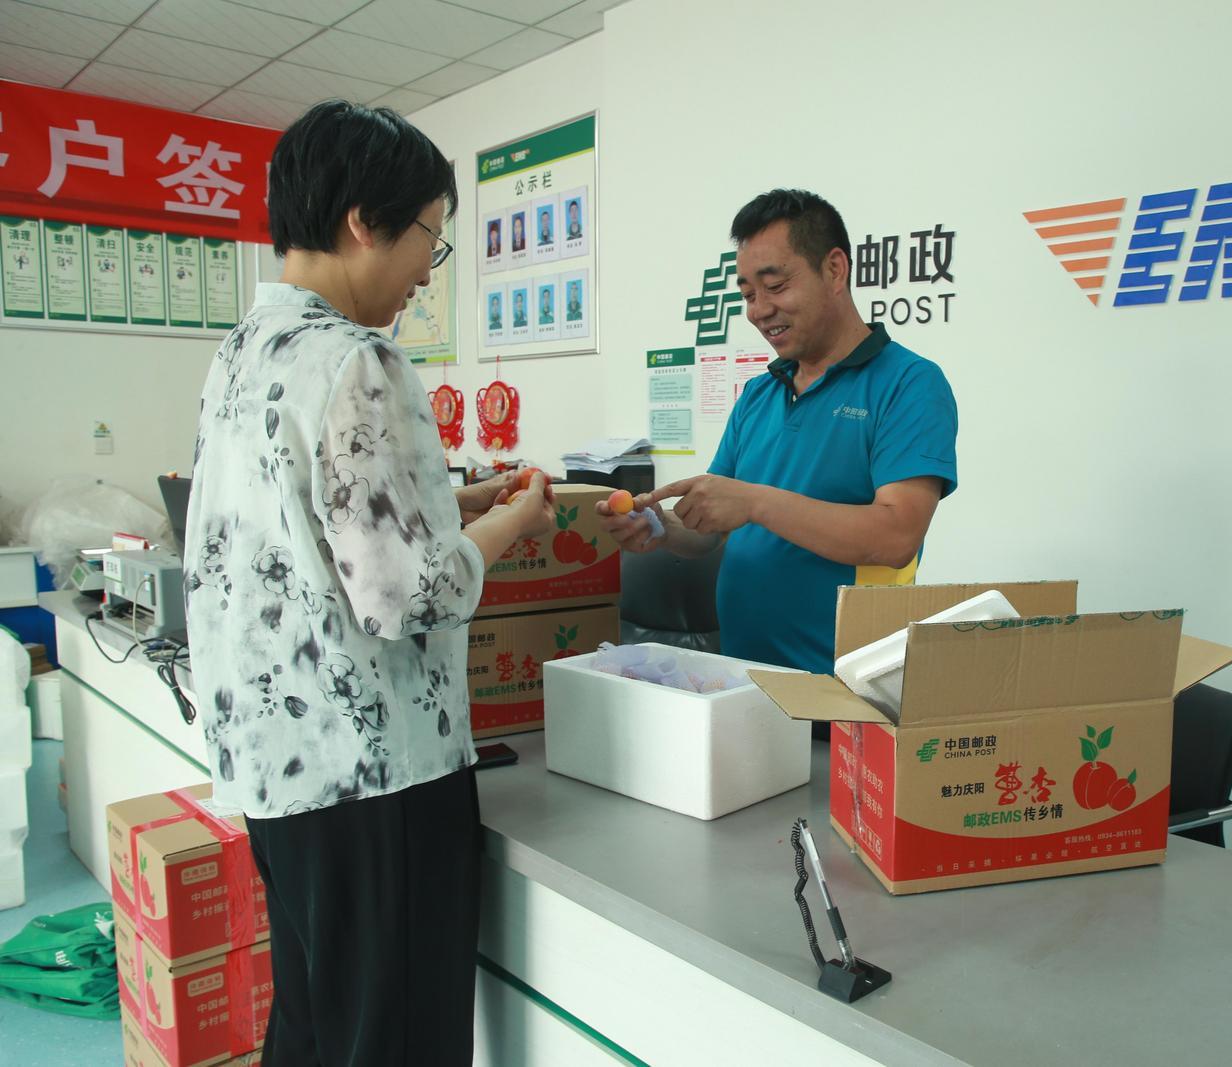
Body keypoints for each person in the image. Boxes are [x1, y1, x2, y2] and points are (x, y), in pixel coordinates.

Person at [183, 99, 554, 1067]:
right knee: (394, 1040)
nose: (427, 272)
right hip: (376, 773)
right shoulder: (358, 359)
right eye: (429, 237)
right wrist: (513, 522)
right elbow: (407, 594)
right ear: (362, 221)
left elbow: (306, 521)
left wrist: (454, 496)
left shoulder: (244, 353)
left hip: (281, 765)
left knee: (315, 1025)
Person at [598, 188, 958, 681]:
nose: (759, 310)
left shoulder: (909, 384)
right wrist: (662, 528)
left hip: (842, 693)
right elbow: (713, 531)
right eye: (748, 295)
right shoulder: (759, 394)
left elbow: (896, 536)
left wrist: (755, 503)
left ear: (835, 270)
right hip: (741, 681)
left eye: (775, 286)